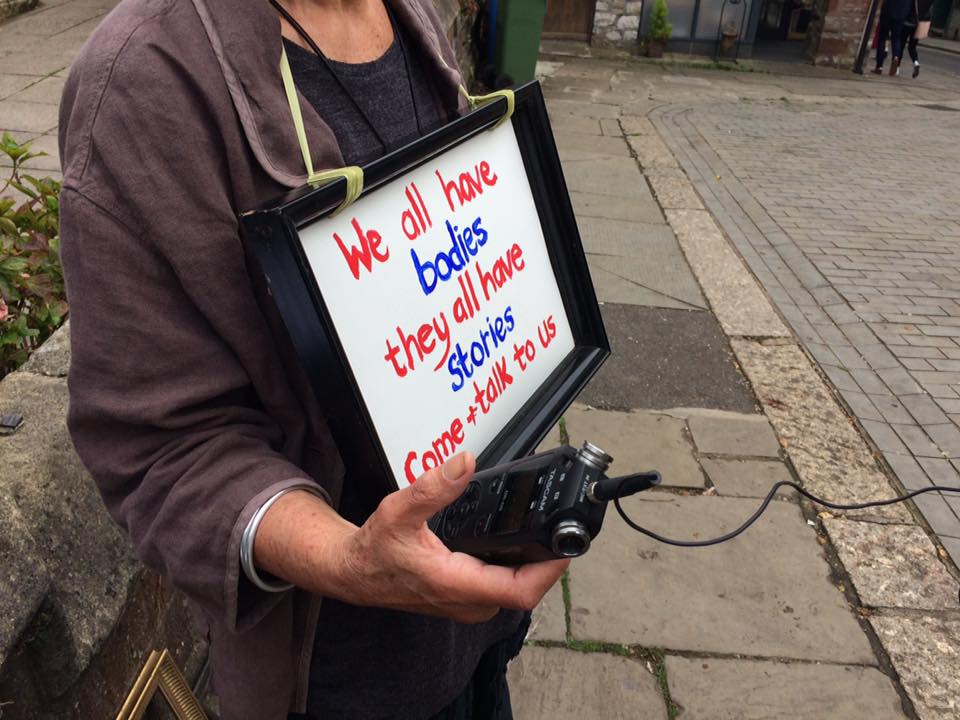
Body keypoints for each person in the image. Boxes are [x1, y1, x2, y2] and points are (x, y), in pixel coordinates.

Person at [57, 1, 568, 718]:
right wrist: (350, 561)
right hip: (341, 680)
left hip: (484, 635)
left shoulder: (415, 10)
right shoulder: (142, 79)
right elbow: (162, 444)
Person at [873, 0, 912, 75]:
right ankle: (896, 57)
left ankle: (879, 66)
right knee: (896, 38)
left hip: (887, 12)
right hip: (901, 14)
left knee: (882, 38)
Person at [900, 0, 934, 77]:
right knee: (912, 47)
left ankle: (897, 68)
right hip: (920, 24)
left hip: (908, 22)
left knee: (901, 45)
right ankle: (916, 63)